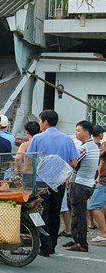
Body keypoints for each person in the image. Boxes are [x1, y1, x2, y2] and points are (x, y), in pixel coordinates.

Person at [26, 110, 80, 257]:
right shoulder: (67, 139)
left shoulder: (37, 138)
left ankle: (45, 245)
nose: (39, 123)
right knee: (55, 213)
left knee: (41, 212)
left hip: (41, 182)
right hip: (59, 182)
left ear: (45, 122)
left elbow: (30, 160)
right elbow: (74, 162)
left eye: (40, 121)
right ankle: (52, 245)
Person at [61, 120, 99, 252]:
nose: (76, 133)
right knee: (77, 213)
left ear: (86, 132)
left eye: (78, 131)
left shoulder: (84, 147)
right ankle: (76, 238)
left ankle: (82, 243)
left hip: (80, 184)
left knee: (79, 214)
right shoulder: (94, 146)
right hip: (88, 184)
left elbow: (74, 162)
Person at [87, 146, 106, 246]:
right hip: (102, 180)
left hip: (104, 182)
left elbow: (102, 159)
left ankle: (104, 233)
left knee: (93, 206)